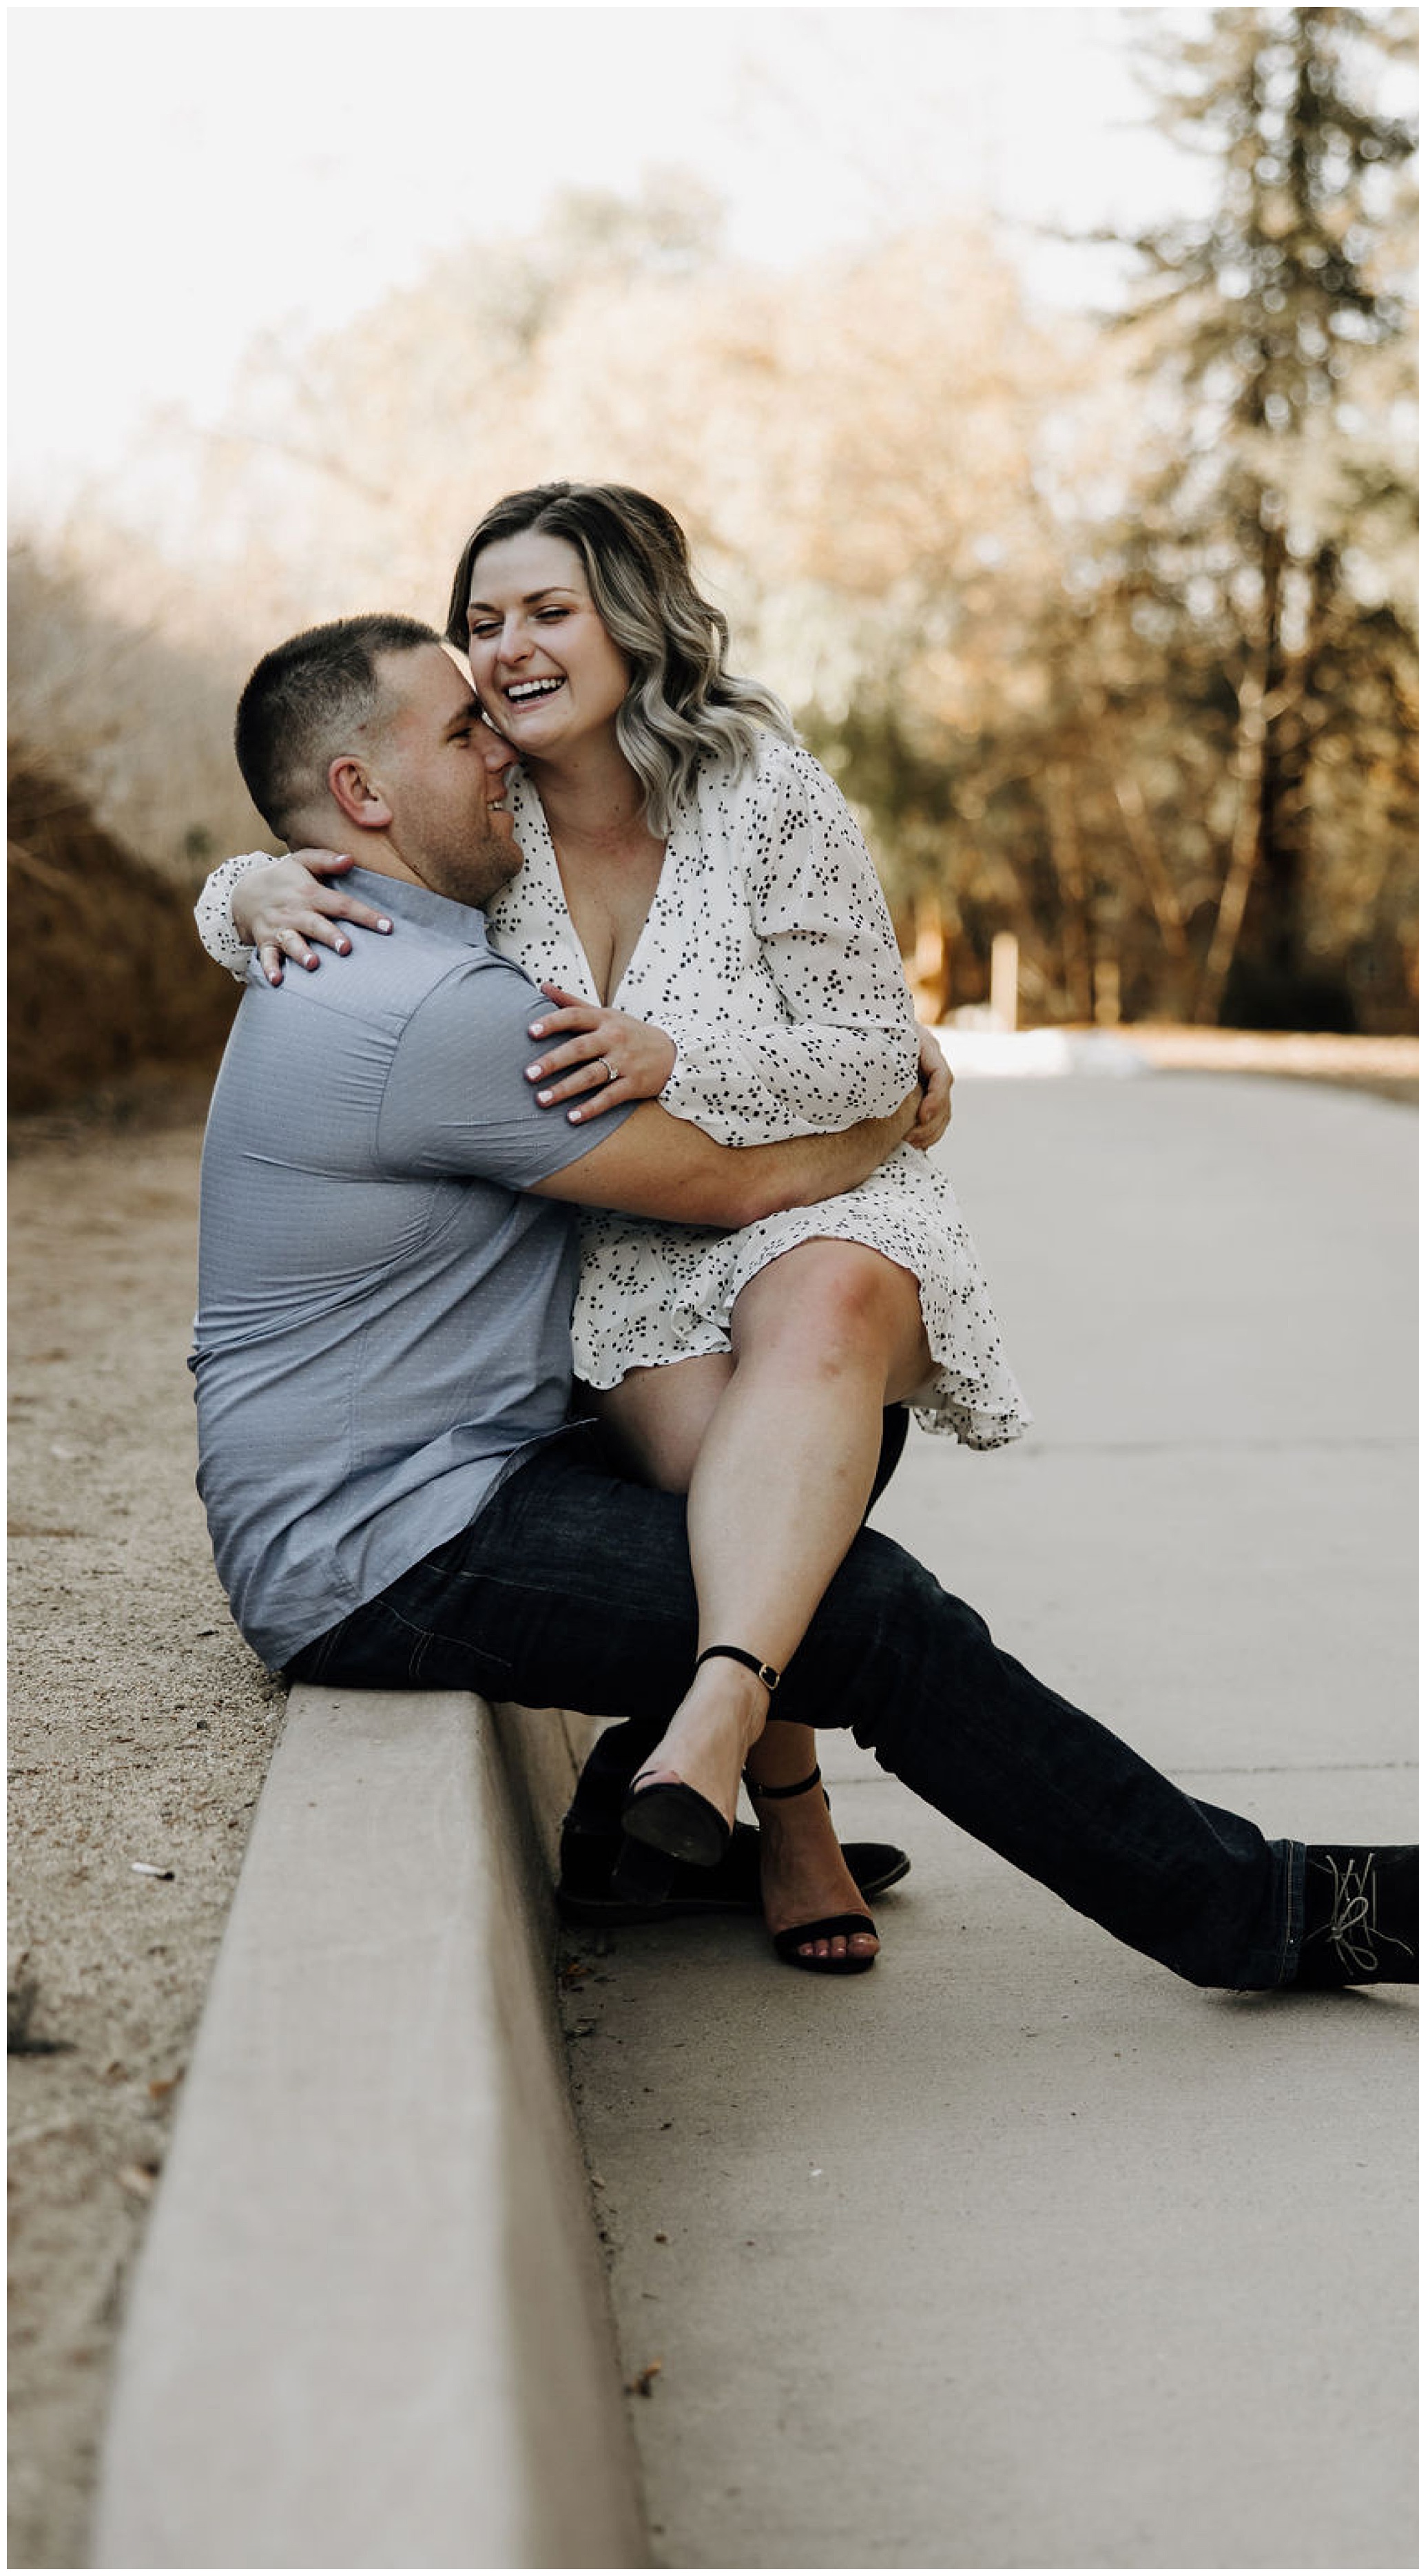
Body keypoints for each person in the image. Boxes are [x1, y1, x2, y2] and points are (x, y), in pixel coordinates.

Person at [191, 612, 1419, 2005]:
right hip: (376, 1547)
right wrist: (881, 1123)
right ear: (362, 796)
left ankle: (636, 1808)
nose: (500, 742)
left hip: (432, 1470)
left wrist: (244, 881)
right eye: (460, 728)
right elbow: (731, 1187)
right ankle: (1251, 1911)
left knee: (793, 1425)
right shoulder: (423, 1005)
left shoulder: (355, 943)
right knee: (868, 1612)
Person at [195, 483, 1028, 1975]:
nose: (506, 650)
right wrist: (244, 886)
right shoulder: (481, 807)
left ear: (631, 623)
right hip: (633, 1257)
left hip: (810, 1201)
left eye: (547, 610)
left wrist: (691, 1057)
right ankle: (740, 1791)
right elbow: (331, 849)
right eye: (482, 622)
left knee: (823, 1334)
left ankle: (762, 1793)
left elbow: (866, 1037)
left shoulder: (764, 787)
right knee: (738, 1483)